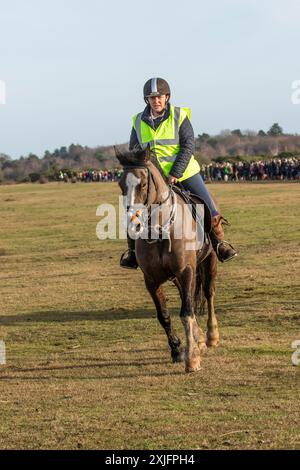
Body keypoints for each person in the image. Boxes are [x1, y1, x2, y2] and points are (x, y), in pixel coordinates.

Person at [120, 77, 237, 269]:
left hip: (185, 173)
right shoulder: (138, 121)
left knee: (209, 206)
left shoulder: (179, 115)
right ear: (146, 100)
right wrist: (153, 174)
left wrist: (175, 172)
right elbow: (135, 150)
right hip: (154, 178)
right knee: (133, 209)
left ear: (167, 97)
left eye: (159, 97)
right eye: (151, 98)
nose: (156, 101)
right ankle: (132, 252)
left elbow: (188, 146)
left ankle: (220, 244)